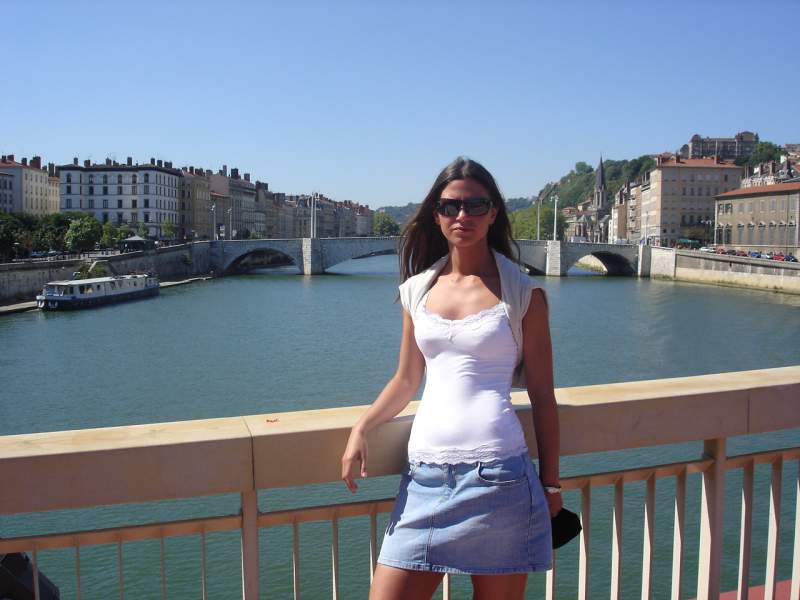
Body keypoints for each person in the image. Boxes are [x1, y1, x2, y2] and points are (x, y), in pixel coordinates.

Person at [341, 157, 561, 600]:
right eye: (451, 206)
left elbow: (542, 395)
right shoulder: (417, 290)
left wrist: (551, 483)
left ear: (493, 213)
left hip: (500, 476)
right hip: (424, 479)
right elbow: (406, 380)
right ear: (436, 215)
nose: (463, 215)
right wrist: (362, 427)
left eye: (476, 205)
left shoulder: (522, 293)